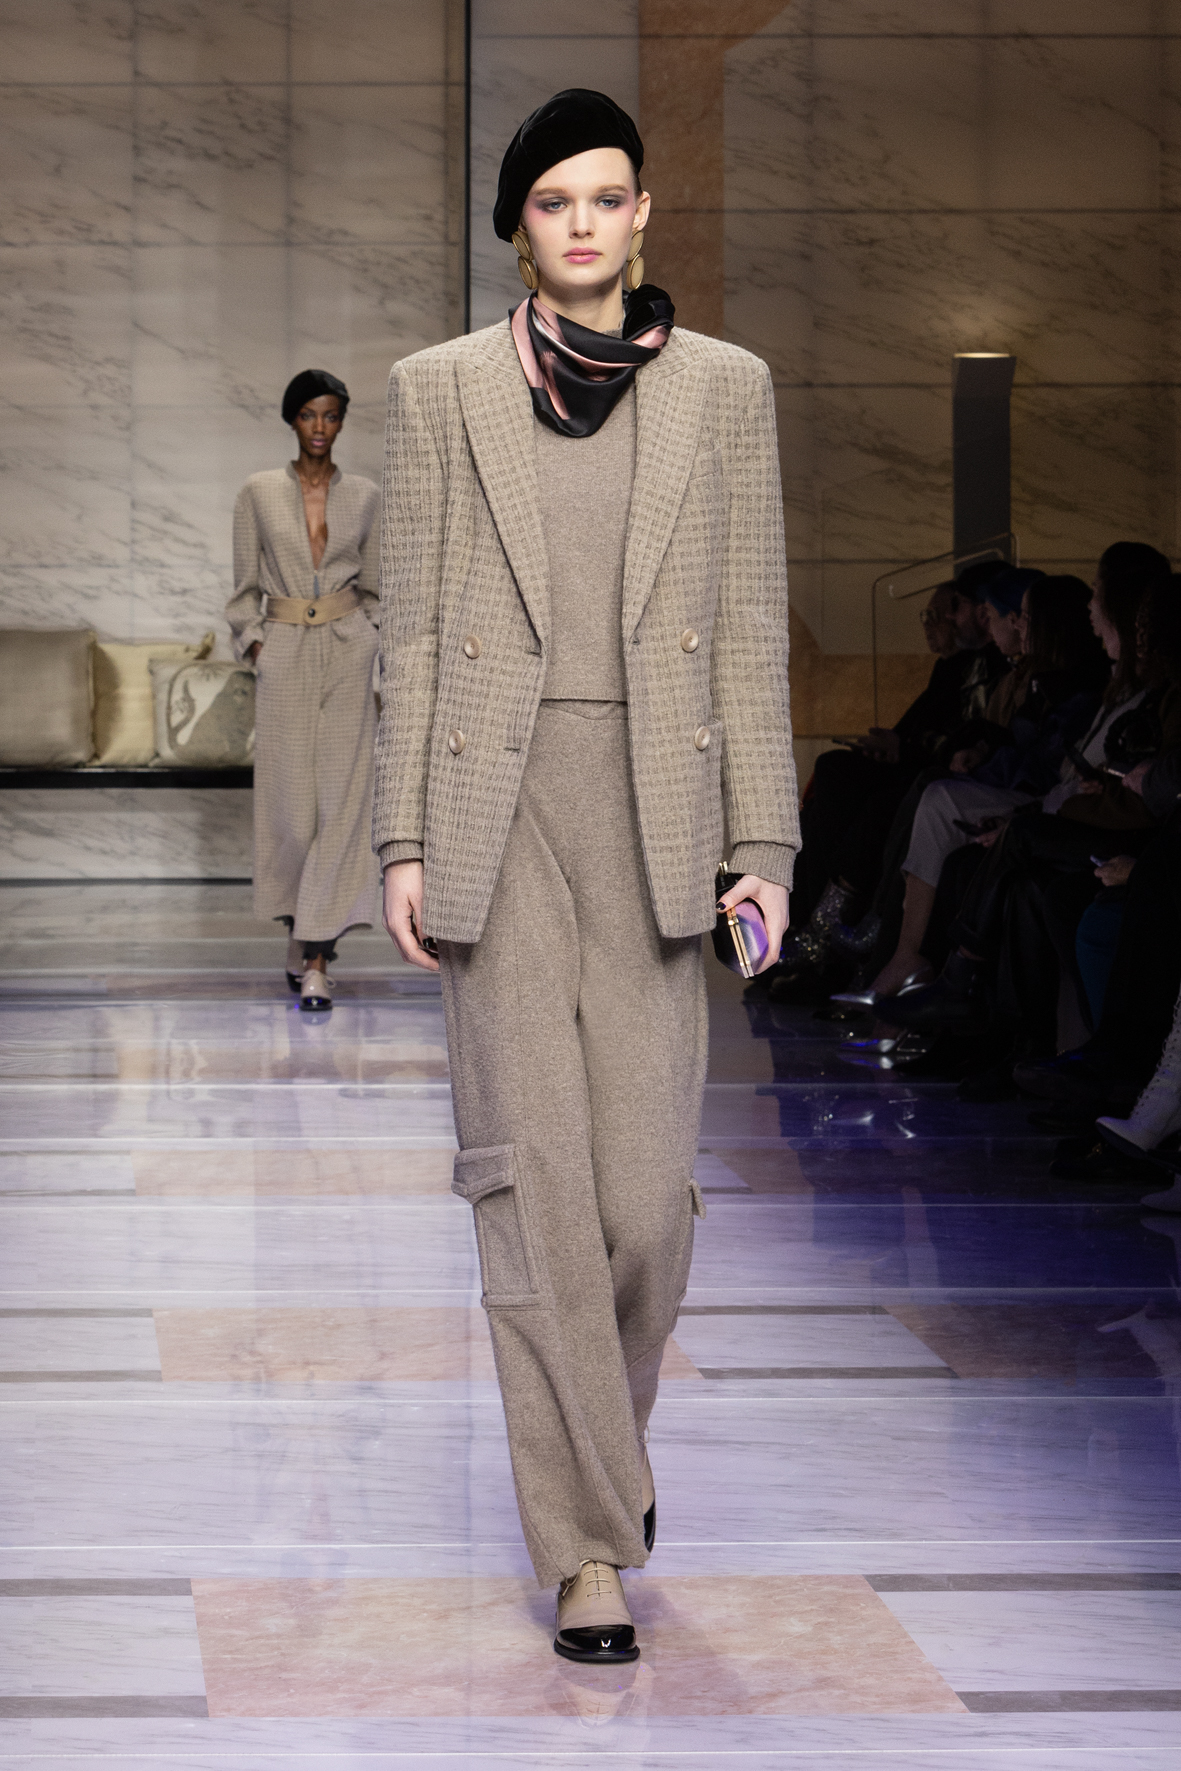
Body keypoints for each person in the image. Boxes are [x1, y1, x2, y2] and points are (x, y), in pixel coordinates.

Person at [373, 89, 797, 1662]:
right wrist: (402, 838)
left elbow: (749, 630)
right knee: (532, 1186)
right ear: (518, 227)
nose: (581, 224)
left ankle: (603, 1465)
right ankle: (586, 1548)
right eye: (553, 201)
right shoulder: (441, 389)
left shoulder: (727, 390)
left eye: (605, 197)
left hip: (658, 813)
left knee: (637, 1212)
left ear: (642, 215)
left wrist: (766, 844)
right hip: (495, 810)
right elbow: (415, 630)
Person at [227, 371, 380, 1011]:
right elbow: (243, 592)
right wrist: (258, 646)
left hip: (349, 651)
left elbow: (377, 587)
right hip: (286, 650)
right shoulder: (259, 493)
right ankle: (300, 928)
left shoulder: (366, 496)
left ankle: (317, 958)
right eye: (310, 414)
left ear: (342, 421)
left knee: (343, 807)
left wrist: (376, 645)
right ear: (292, 419)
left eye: (332, 415)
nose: (321, 427)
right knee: (291, 811)